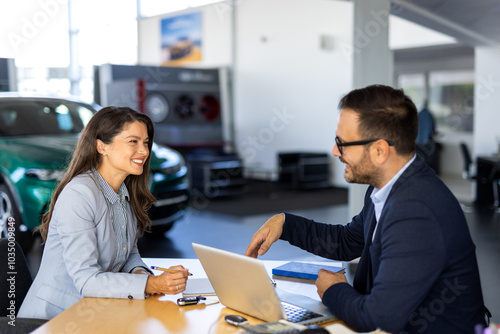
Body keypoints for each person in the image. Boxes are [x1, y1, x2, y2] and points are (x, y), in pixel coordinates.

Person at [245, 85, 487, 333]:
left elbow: (378, 318)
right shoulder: (386, 188)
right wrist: (285, 224)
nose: (334, 151)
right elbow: (346, 241)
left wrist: (334, 290)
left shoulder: (417, 211)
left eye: (342, 143)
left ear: (380, 150)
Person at [18, 107, 189, 320]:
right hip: (54, 318)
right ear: (102, 146)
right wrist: (151, 284)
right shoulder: (79, 194)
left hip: (95, 311)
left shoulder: (123, 193)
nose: (144, 151)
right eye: (133, 141)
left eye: (145, 142)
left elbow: (129, 255)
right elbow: (87, 280)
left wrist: (141, 273)